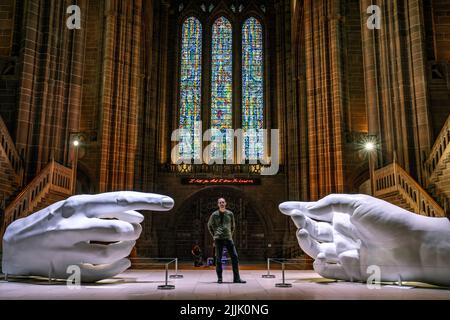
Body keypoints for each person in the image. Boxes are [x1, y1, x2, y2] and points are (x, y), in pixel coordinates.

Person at [207, 198, 246, 284]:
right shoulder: (214, 214)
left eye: (223, 202)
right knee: (218, 259)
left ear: (225, 203)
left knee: (235, 257)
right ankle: (220, 278)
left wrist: (229, 234)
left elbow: (233, 226)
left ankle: (237, 278)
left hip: (228, 238)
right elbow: (209, 225)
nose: (222, 203)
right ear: (218, 204)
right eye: (220, 202)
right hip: (218, 239)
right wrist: (215, 235)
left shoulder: (230, 214)